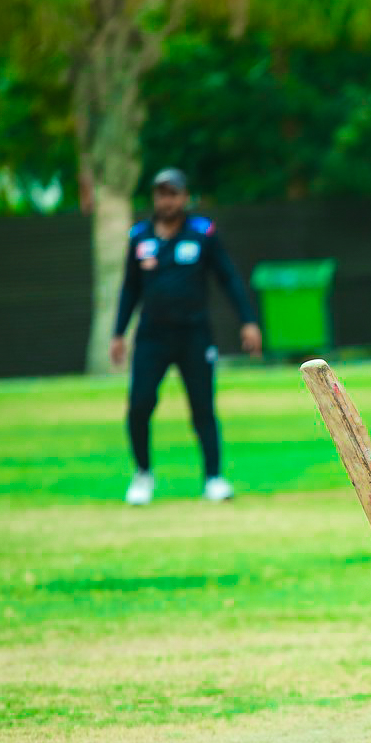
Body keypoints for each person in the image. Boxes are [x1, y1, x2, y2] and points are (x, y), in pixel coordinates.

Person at [110, 168, 262, 505]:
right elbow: (130, 288)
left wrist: (248, 321)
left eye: (173, 194)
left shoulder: (202, 233)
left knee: (203, 406)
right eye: (161, 194)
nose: (167, 201)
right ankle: (143, 475)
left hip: (194, 334)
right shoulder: (140, 237)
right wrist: (118, 333)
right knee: (139, 405)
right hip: (152, 336)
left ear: (185, 197)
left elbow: (228, 278)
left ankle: (214, 478)